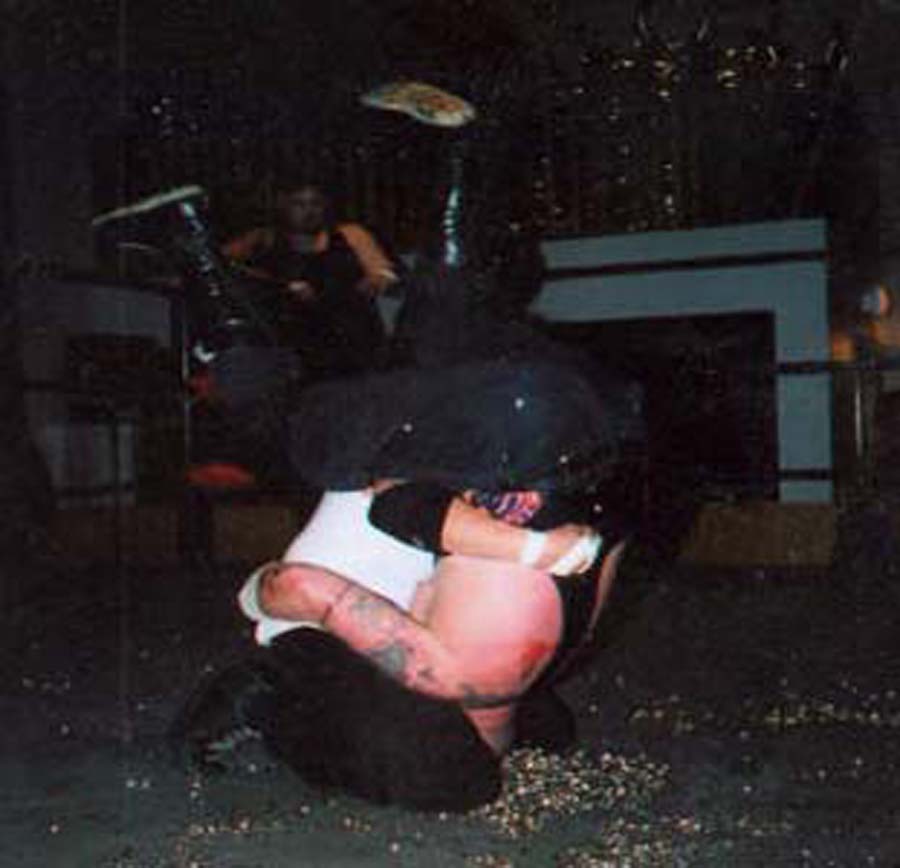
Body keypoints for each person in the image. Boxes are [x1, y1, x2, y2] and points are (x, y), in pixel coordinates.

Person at [171, 479, 628, 811]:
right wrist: (536, 549)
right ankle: (262, 697)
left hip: (416, 625)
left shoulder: (507, 477)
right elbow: (294, 588)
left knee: (544, 729)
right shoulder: (412, 472)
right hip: (317, 632)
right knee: (445, 777)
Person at [223, 183, 398, 377]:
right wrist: (273, 286)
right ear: (284, 206)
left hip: (350, 335)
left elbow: (383, 272)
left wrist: (375, 281)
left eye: (316, 204)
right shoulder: (264, 238)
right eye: (299, 204)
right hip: (292, 338)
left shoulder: (350, 234)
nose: (309, 211)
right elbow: (221, 262)